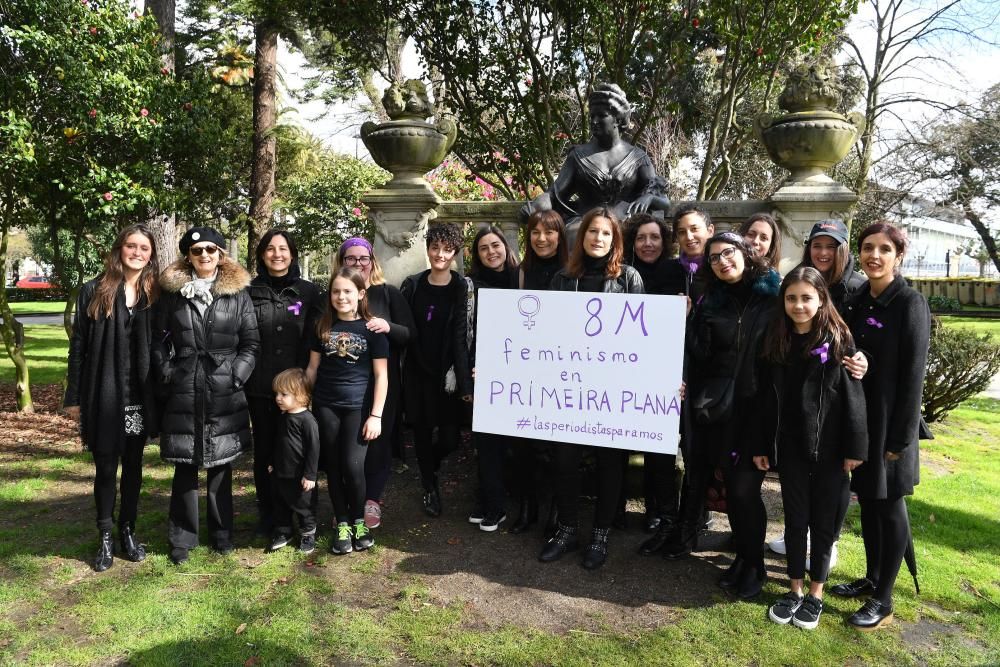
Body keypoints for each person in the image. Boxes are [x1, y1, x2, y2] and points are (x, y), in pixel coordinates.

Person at [752, 267, 868, 630]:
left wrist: (855, 447)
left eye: (806, 298)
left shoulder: (838, 340)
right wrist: (760, 443)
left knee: (822, 523)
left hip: (832, 449)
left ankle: (816, 592)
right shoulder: (775, 340)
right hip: (791, 447)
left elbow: (853, 399)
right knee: (795, 518)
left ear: (821, 300)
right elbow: (763, 400)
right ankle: (795, 588)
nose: (799, 305)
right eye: (791, 298)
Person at [833, 222, 931, 631]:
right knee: (870, 504)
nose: (875, 255)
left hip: (892, 427)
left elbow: (913, 375)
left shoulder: (909, 303)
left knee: (889, 507)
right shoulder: (858, 299)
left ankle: (885, 599)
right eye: (868, 248)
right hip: (862, 422)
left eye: (884, 249)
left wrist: (901, 439)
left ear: (899, 256)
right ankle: (873, 578)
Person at [674, 231, 780, 599]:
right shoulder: (711, 303)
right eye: (714, 257)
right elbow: (701, 356)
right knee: (734, 495)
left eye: (728, 253)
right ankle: (745, 559)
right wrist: (686, 321)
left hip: (758, 410)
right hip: (719, 411)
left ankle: (757, 566)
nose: (722, 261)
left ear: (747, 253)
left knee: (745, 490)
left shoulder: (775, 297)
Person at [540, 207, 644, 570]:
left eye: (605, 233)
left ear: (615, 239)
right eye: (592, 232)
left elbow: (641, 340)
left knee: (609, 465)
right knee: (565, 460)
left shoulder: (629, 279)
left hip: (611, 394)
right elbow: (546, 335)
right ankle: (566, 529)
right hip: (569, 390)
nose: (598, 238)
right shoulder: (562, 279)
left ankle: (600, 535)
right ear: (581, 237)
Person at [154, 227, 260, 565]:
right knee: (185, 465)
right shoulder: (172, 294)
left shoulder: (237, 293)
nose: (204, 255)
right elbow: (158, 339)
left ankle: (222, 534)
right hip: (185, 385)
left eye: (211, 249)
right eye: (197, 250)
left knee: (220, 465)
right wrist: (168, 371)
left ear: (220, 254)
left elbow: (251, 343)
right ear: (188, 255)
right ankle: (182, 539)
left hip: (223, 387)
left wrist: (236, 375)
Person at [768, 218, 868, 563]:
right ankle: (796, 535)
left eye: (831, 246)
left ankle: (828, 540)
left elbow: (862, 342)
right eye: (817, 245)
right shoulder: (796, 282)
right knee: (797, 484)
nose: (823, 252)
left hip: (840, 390)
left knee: (833, 482)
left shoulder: (858, 287)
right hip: (803, 394)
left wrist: (862, 359)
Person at [65, 224, 161, 572]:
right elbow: (78, 346)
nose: (137, 252)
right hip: (104, 394)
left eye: (144, 248)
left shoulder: (155, 294)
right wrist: (74, 396)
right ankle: (105, 535)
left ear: (151, 255)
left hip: (138, 395)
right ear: (120, 249)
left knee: (133, 467)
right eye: (131, 246)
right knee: (106, 467)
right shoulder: (95, 290)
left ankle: (128, 531)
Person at [332, 237, 415, 531]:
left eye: (362, 258)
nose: (357, 264)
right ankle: (348, 502)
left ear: (372, 261)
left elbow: (410, 334)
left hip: (382, 383)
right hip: (343, 386)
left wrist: (388, 326)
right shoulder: (335, 294)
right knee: (347, 446)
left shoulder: (388, 294)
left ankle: (371, 501)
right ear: (341, 262)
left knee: (377, 443)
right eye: (350, 259)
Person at [306, 268, 389, 555]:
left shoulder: (372, 330)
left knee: (354, 469)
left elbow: (381, 376)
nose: (341, 297)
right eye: (336, 291)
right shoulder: (322, 326)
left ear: (361, 294)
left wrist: (376, 415)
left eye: (347, 291)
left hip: (358, 408)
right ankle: (342, 522)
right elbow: (313, 368)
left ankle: (358, 521)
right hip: (326, 407)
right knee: (335, 467)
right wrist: (304, 403)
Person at [521, 83, 669, 243]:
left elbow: (663, 202)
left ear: (617, 120)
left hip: (626, 223)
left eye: (601, 116)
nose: (594, 121)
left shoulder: (639, 158)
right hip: (584, 224)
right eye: (592, 116)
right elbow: (555, 194)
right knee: (574, 234)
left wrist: (649, 198)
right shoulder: (578, 156)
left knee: (634, 239)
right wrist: (536, 207)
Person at [246, 229, 321, 537]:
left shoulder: (310, 292)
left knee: (297, 455)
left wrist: (307, 379)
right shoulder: (247, 290)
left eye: (283, 249)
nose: (277, 254)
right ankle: (272, 517)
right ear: (262, 254)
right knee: (265, 454)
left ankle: (304, 516)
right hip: (260, 387)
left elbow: (316, 337)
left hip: (297, 391)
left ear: (292, 254)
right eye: (270, 249)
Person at [401, 223, 473, 518]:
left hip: (447, 376)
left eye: (447, 249)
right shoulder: (413, 284)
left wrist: (463, 379)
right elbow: (404, 328)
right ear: (428, 248)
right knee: (420, 432)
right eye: (435, 248)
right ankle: (430, 487)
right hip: (417, 373)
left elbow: (462, 334)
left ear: (455, 252)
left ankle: (431, 462)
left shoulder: (461, 287)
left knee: (449, 439)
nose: (440, 254)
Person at [515, 210, 570, 535]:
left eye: (549, 232)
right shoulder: (523, 272)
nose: (541, 238)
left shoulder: (569, 272)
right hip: (528, 368)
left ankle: (553, 511)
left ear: (560, 236)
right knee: (524, 443)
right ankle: (528, 506)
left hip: (562, 370)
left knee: (553, 447)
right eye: (535, 232)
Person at [623, 212, 677, 534]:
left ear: (664, 241)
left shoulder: (677, 272)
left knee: (660, 451)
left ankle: (659, 511)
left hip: (663, 370)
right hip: (624, 367)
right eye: (641, 237)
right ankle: (617, 508)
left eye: (654, 237)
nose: (647, 244)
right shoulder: (623, 273)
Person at [465, 224, 519, 532]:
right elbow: (466, 332)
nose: (491, 252)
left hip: (521, 370)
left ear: (506, 246)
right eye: (483, 248)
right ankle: (491, 502)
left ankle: (498, 500)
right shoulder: (470, 285)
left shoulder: (521, 278)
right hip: (485, 371)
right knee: (486, 442)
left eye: (495, 245)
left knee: (514, 444)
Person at [267, 368, 320, 555]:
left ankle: (308, 534)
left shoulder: (307, 420)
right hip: (281, 473)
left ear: (300, 395)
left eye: (284, 394)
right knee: (281, 504)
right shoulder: (283, 416)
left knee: (304, 506)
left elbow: (314, 449)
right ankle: (284, 531)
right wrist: (272, 462)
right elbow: (278, 442)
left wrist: (310, 475)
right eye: (277, 394)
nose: (278, 398)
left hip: (301, 477)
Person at [660, 204, 715, 300]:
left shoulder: (721, 267)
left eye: (694, 229)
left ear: (710, 231)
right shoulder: (666, 270)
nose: (689, 237)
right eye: (682, 232)